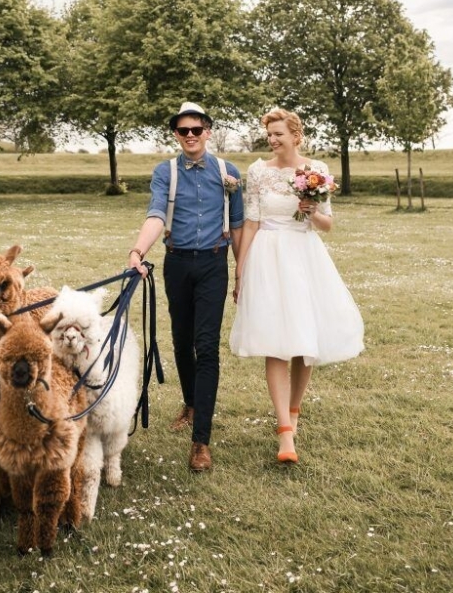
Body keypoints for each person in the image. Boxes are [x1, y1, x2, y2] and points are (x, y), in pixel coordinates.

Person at [229, 108, 363, 464]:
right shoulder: (258, 171)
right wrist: (240, 272)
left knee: (305, 344)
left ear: (295, 135)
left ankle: (295, 411)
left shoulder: (316, 170)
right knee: (275, 342)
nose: (273, 140)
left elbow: (327, 224)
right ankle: (284, 432)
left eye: (278, 134)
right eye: (269, 135)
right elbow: (252, 222)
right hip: (267, 257)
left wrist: (310, 209)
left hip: (303, 258)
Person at [128, 101, 244, 472]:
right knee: (181, 339)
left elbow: (238, 224)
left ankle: (201, 443)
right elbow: (156, 214)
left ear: (208, 131)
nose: (190, 136)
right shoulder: (166, 172)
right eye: (183, 131)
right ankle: (190, 403)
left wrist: (243, 271)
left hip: (214, 262)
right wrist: (137, 250)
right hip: (177, 263)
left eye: (197, 129)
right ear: (176, 135)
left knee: (206, 346)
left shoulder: (229, 172)